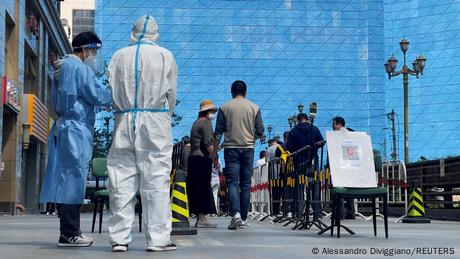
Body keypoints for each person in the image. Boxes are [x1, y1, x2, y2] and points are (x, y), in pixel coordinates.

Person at [107, 15, 178, 252]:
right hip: (155, 120)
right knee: (156, 179)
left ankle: (119, 239)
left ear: (133, 32)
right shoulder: (165, 55)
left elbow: (112, 90)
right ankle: (157, 239)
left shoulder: (118, 56)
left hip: (124, 118)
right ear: (155, 34)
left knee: (121, 178)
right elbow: (172, 95)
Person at [39, 31, 112, 247]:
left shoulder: (62, 66)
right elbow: (96, 94)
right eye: (94, 50)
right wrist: (115, 94)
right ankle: (70, 233)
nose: (95, 55)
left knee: (65, 179)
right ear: (85, 49)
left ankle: (67, 232)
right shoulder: (79, 68)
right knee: (74, 179)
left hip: (64, 126)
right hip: (76, 129)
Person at [214, 80, 264, 230]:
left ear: (231, 92)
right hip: (248, 148)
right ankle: (243, 218)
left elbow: (218, 133)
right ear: (246, 92)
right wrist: (251, 138)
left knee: (232, 183)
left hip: (231, 149)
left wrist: (216, 152)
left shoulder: (224, 107)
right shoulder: (254, 107)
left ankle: (235, 214)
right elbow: (260, 131)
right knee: (246, 183)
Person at [286, 113, 324, 219]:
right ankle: (317, 213)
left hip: (299, 162)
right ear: (307, 119)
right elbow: (321, 142)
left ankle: (299, 213)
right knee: (315, 187)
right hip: (313, 161)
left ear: (298, 120)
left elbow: (289, 147)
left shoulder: (293, 131)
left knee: (300, 188)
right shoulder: (314, 128)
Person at [187, 100, 218, 228]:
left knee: (197, 188)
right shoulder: (206, 123)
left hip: (193, 159)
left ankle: (200, 217)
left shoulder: (196, 123)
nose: (213, 114)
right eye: (212, 112)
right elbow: (208, 143)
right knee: (203, 188)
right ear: (207, 112)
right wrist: (215, 157)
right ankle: (202, 218)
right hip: (201, 159)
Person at [332, 116, 356, 219]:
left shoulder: (337, 136)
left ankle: (340, 213)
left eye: (334, 124)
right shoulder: (351, 133)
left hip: (340, 166)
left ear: (339, 124)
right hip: (351, 166)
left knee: (339, 188)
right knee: (349, 189)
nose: (332, 126)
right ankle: (351, 212)